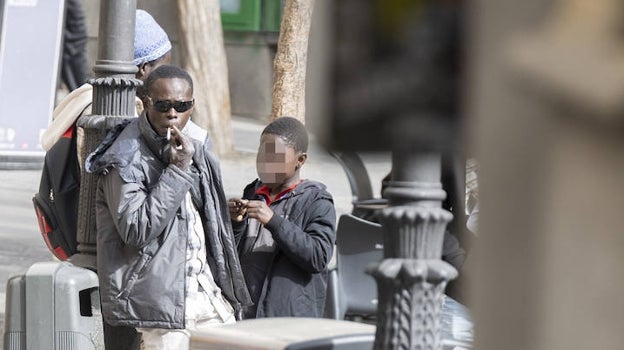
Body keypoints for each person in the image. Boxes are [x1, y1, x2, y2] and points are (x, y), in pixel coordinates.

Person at [85, 65, 252, 350]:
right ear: (147, 102)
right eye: (163, 105)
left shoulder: (193, 145)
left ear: (192, 106)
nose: (173, 113)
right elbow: (136, 229)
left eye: (181, 105)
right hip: (162, 304)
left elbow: (199, 221)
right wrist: (176, 170)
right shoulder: (125, 157)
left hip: (207, 295)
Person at [228, 116, 336, 319]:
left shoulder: (317, 201)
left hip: (287, 317)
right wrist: (235, 223)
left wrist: (274, 221)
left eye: (275, 158)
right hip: (246, 313)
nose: (266, 163)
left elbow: (318, 257)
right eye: (262, 155)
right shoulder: (253, 192)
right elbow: (233, 254)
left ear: (300, 160)